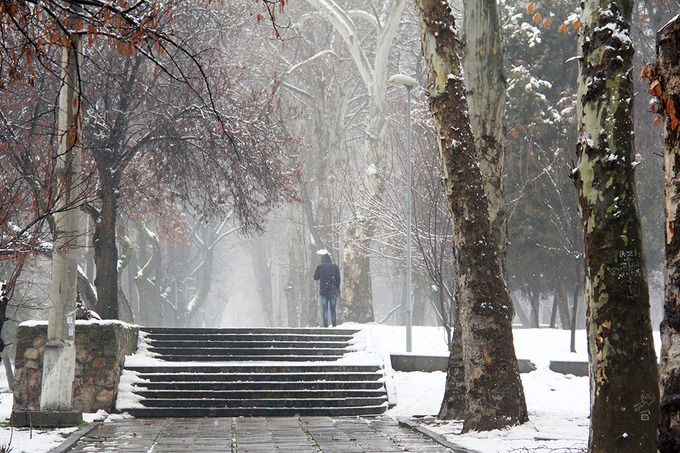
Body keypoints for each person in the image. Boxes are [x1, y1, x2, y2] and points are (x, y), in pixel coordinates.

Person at [313, 253, 340, 327]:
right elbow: (338, 279)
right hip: (333, 291)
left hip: (323, 291)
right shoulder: (335, 267)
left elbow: (315, 277)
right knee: (333, 308)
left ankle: (325, 325)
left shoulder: (320, 267)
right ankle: (334, 324)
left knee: (325, 309)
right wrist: (337, 289)